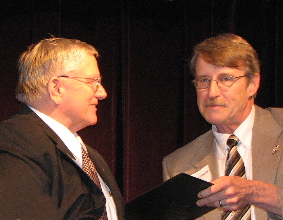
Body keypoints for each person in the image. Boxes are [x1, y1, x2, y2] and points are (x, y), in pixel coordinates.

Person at [0, 38, 124, 219]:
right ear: (56, 88)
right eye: (92, 82)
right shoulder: (14, 143)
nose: (102, 92)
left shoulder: (92, 158)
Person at [162, 33, 283, 219]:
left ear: (253, 84)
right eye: (204, 80)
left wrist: (254, 192)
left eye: (226, 79)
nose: (212, 92)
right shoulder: (178, 166)